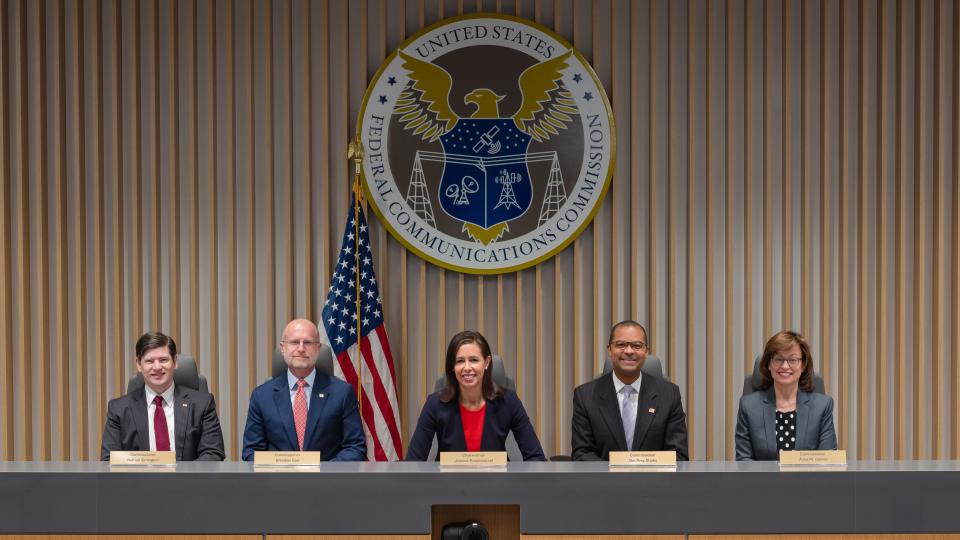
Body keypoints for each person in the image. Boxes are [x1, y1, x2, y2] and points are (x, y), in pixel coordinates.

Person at [406, 330, 546, 461]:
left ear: (486, 362)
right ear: (452, 366)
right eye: (460, 361)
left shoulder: (509, 402)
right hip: (448, 484)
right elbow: (413, 461)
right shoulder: (434, 404)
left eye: (474, 360)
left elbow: (536, 458)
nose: (467, 368)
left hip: (497, 484)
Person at [241, 318, 366, 461]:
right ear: (283, 348)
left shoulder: (342, 393)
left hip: (326, 481)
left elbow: (355, 448)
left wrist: (320, 471)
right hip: (278, 480)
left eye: (307, 342)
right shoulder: (262, 396)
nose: (301, 348)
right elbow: (251, 451)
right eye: (294, 342)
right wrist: (283, 469)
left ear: (318, 349)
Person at [571, 320, 688, 461]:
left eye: (636, 346)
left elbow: (678, 455)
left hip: (654, 481)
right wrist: (616, 477)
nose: (628, 351)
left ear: (646, 351)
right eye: (621, 345)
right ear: (609, 350)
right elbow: (582, 453)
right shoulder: (585, 396)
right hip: (604, 482)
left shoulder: (669, 395)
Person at [100, 331, 225, 461]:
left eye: (163, 360)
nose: (157, 367)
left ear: (175, 362)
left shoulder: (202, 404)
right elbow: (110, 460)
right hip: (139, 481)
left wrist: (181, 479)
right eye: (149, 361)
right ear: (138, 364)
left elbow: (213, 454)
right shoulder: (118, 409)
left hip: (189, 481)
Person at [735, 330, 837, 461]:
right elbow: (744, 461)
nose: (785, 366)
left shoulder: (822, 406)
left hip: (809, 481)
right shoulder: (748, 406)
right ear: (769, 364)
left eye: (792, 360)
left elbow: (827, 460)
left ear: (803, 365)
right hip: (761, 481)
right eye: (778, 359)